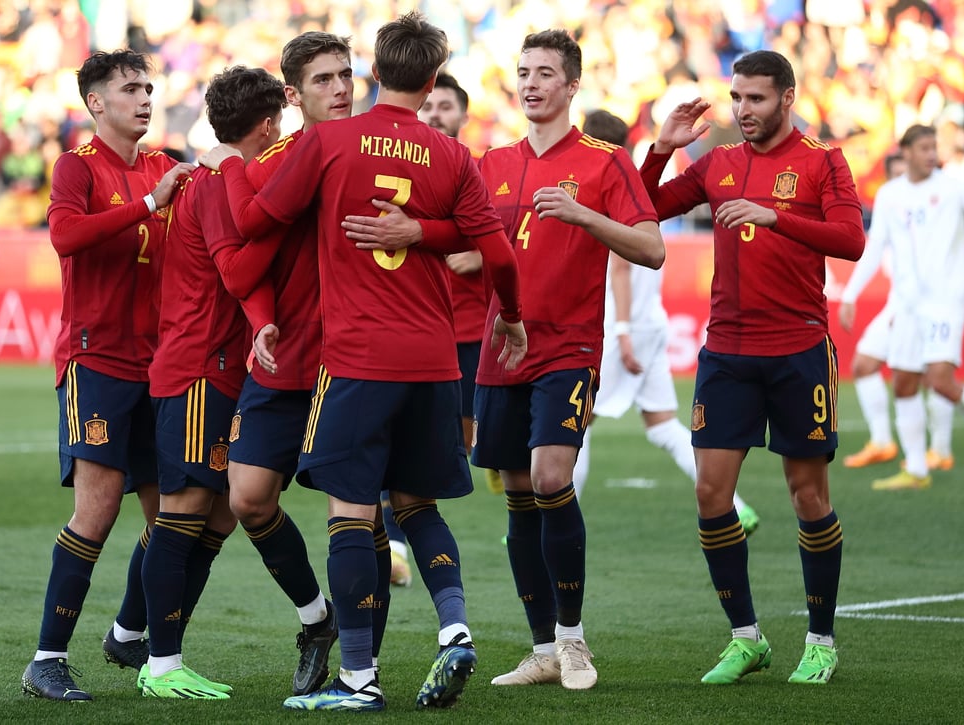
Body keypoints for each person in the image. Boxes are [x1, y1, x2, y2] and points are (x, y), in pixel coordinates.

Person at [202, 11, 528, 711]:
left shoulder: (329, 142)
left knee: (351, 515)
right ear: (435, 77)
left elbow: (256, 221)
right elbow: (497, 250)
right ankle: (456, 628)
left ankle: (356, 680)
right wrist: (513, 314)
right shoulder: (453, 155)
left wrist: (231, 161)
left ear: (374, 72)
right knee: (417, 504)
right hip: (438, 361)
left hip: (357, 359)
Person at [640, 50, 864, 686]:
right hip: (729, 352)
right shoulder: (717, 163)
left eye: (756, 99)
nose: (743, 111)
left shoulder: (822, 160)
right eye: (736, 98)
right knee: (712, 494)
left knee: (807, 495)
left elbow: (851, 240)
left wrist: (776, 217)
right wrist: (662, 149)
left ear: (787, 98)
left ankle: (820, 641)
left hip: (798, 349)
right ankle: (746, 638)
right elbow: (645, 207)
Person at [467, 32, 664, 693]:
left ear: (572, 85)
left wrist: (583, 215)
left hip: (569, 347)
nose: (530, 83)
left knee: (552, 476)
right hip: (503, 349)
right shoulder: (492, 160)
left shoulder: (607, 163)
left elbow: (652, 247)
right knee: (520, 494)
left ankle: (574, 640)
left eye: (545, 73)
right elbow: (473, 250)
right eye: (523, 72)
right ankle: (542, 647)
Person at [21, 49, 195, 703]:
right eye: (130, 88)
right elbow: (65, 236)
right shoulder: (79, 166)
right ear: (97, 103)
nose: (145, 98)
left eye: (149, 87)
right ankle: (46, 658)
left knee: (172, 519)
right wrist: (150, 202)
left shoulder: (165, 166)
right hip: (96, 362)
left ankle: (127, 631)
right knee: (94, 510)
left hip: (161, 366)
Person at [138, 65, 290, 700]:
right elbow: (237, 272)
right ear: (267, 123)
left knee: (219, 516)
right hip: (200, 366)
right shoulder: (219, 183)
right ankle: (161, 662)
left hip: (215, 365)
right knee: (186, 512)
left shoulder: (209, 177)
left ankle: (137, 636)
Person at [220, 32, 353, 698]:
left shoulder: (376, 149)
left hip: (351, 358)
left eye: (346, 76)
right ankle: (316, 617)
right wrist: (260, 316)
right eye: (325, 79)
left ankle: (363, 666)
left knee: (354, 513)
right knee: (247, 496)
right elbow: (249, 242)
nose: (341, 88)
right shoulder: (278, 158)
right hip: (283, 355)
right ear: (295, 95)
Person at [569, 110, 760, 535]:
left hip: (624, 327)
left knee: (575, 425)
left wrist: (620, 333)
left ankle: (555, 522)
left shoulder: (606, 191)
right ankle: (738, 507)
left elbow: (619, 268)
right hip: (652, 323)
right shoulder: (636, 189)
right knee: (662, 426)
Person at [859, 124, 964, 492]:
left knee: (939, 379)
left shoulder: (954, 190)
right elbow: (875, 248)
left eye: (933, 147)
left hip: (943, 305)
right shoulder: (890, 195)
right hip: (906, 305)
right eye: (923, 148)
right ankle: (917, 469)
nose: (932, 154)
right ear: (905, 152)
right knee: (903, 383)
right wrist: (854, 293)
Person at [380, 71, 480, 589]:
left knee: (457, 446)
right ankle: (394, 541)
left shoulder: (472, 170)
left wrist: (478, 252)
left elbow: (502, 238)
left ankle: (401, 531)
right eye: (432, 105)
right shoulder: (399, 171)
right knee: (396, 438)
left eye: (447, 106)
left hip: (470, 336)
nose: (437, 113)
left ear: (462, 114)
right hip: (416, 330)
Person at [840, 151, 956, 472]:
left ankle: (940, 450)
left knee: (933, 376)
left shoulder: (936, 210)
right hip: (900, 302)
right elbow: (873, 251)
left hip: (927, 304)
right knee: (864, 364)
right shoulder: (892, 210)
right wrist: (850, 294)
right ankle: (882, 442)